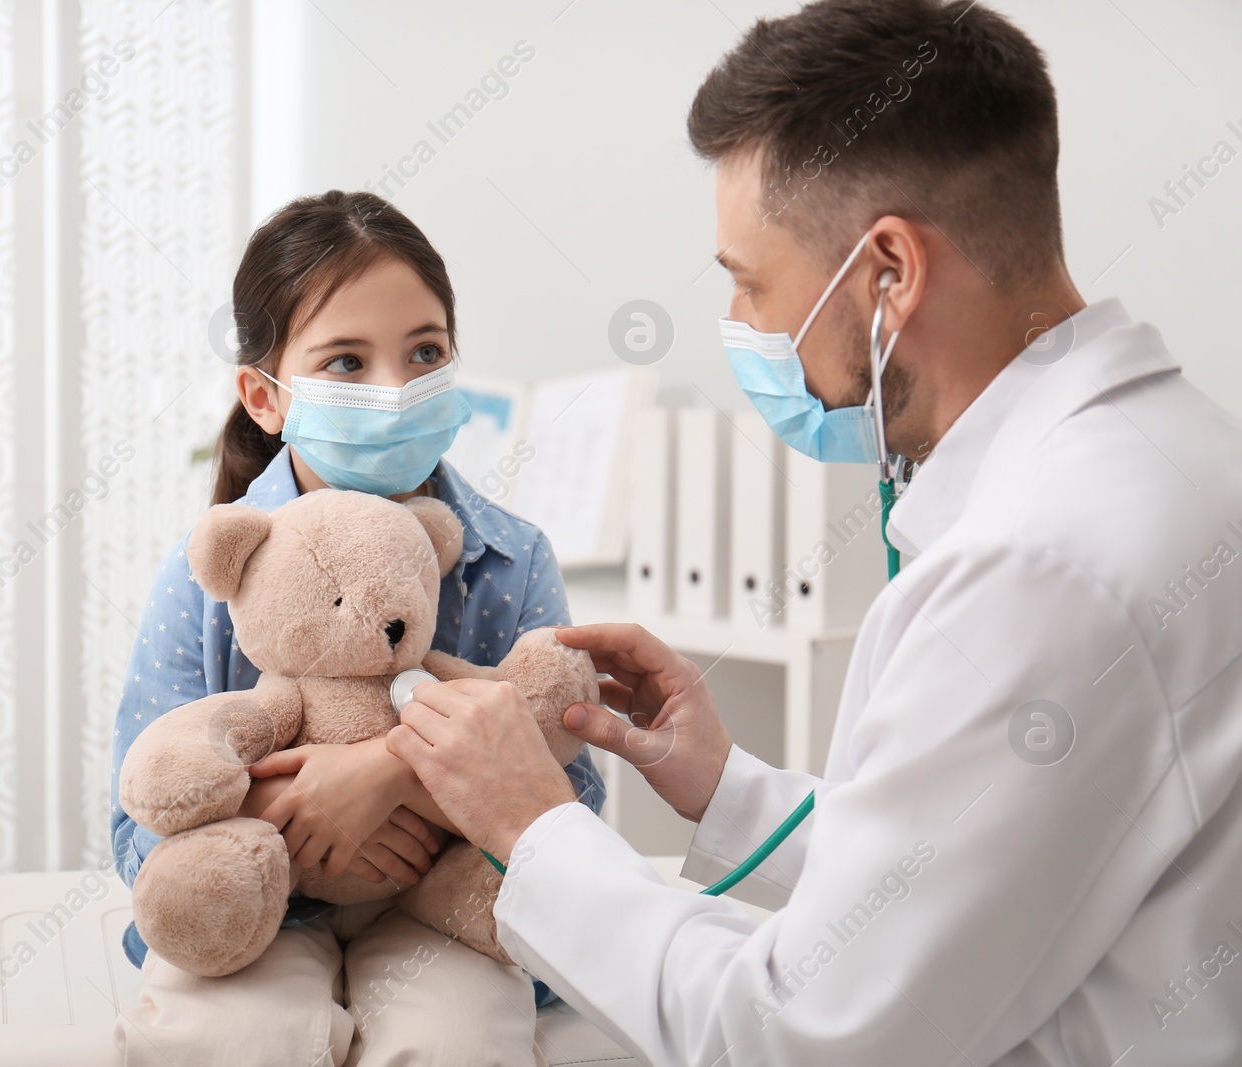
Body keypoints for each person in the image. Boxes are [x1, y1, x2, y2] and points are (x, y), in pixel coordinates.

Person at [386, 1, 1242, 1064]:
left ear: (889, 269)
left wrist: (533, 826)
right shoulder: (1169, 455)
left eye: (749, 282)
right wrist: (723, 783)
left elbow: (802, 1031)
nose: (742, 329)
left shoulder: (1043, 569)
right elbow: (983, 875)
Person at [108, 189, 607, 1066]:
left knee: (461, 1042)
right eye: (346, 361)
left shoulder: (512, 559)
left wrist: (386, 775)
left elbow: (574, 804)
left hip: (442, 912)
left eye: (425, 353)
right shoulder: (212, 572)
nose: (395, 389)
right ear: (265, 398)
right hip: (258, 905)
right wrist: (289, 807)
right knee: (232, 1038)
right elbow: (139, 816)